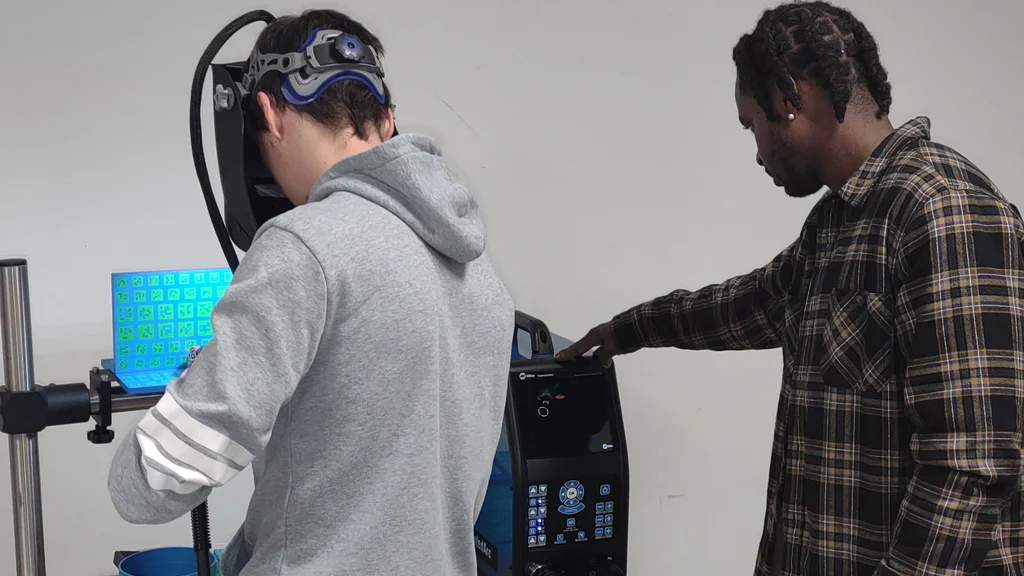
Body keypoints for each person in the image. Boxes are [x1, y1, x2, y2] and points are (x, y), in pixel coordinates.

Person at [557, 2, 1024, 574]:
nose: (757, 152)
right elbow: (746, 305)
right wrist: (626, 330)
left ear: (790, 97)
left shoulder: (945, 210)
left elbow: (971, 466)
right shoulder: (836, 224)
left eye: (752, 124)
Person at [107, 9, 515, 576]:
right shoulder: (478, 268)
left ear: (269, 114)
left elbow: (152, 484)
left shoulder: (305, 245)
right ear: (387, 119)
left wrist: (192, 395)